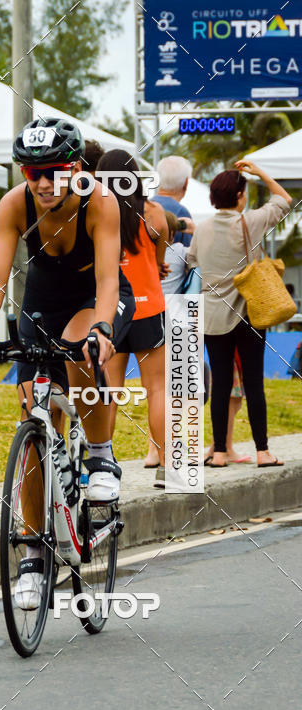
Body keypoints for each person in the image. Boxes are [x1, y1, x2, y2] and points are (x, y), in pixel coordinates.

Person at [0, 117, 135, 610]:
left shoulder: (100, 201)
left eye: (55, 171)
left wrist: (101, 331)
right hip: (41, 302)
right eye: (34, 173)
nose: (45, 182)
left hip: (97, 298)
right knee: (31, 415)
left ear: (76, 168)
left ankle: (100, 453)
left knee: (80, 346)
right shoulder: (15, 205)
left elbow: (105, 280)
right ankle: (33, 554)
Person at [187, 160, 291, 468]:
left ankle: (219, 452)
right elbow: (284, 200)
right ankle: (262, 452)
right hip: (248, 315)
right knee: (253, 381)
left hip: (213, 318)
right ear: (241, 196)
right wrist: (261, 173)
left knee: (220, 383)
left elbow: (192, 262)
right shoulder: (252, 222)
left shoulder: (202, 228)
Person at [97, 149, 169, 488]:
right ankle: (167, 468)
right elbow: (160, 250)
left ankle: (100, 468)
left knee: (108, 391)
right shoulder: (153, 213)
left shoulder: (93, 212)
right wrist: (156, 263)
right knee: (156, 389)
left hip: (110, 311)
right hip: (148, 308)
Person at [153, 156, 195, 293]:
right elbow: (192, 260)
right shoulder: (182, 212)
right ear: (186, 183)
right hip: (174, 298)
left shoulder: (146, 208)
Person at [204, 349, 252, 465]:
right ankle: (222, 449)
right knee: (231, 398)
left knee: (233, 399)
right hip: (232, 347)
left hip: (227, 346)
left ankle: (220, 447)